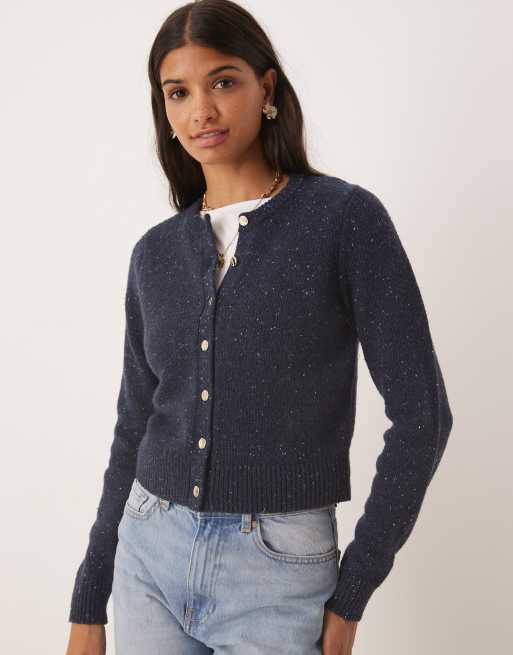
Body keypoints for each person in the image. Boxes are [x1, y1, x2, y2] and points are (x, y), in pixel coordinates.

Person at [65, 1, 453, 653]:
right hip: (148, 554)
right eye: (178, 92)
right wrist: (88, 598)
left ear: (265, 88)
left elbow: (423, 415)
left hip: (277, 569)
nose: (201, 111)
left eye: (222, 81)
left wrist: (353, 591)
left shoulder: (343, 221)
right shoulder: (154, 254)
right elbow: (134, 424)